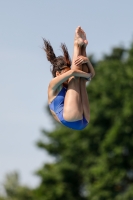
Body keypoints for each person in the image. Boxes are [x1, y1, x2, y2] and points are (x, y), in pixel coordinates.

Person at [43, 26, 95, 130]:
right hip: (71, 118)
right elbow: (73, 72)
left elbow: (89, 74)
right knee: (76, 77)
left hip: (80, 120)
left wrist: (87, 61)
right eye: (66, 74)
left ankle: (82, 46)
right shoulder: (52, 85)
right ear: (58, 74)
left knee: (80, 80)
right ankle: (77, 44)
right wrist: (88, 75)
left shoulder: (68, 85)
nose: (68, 77)